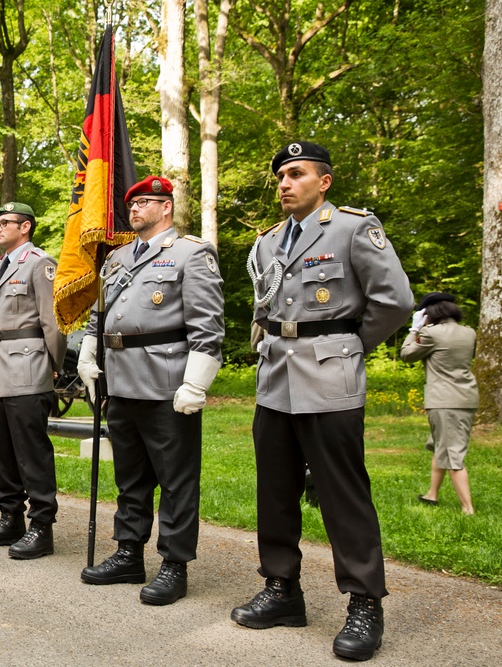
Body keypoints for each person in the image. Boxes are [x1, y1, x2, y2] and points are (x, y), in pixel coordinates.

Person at [232, 142, 413, 662]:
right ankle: (282, 589)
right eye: (281, 176)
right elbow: (265, 307)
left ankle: (363, 602)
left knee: (341, 492)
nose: (285, 183)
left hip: (329, 376)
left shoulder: (353, 228)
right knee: (276, 489)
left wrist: (351, 344)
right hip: (275, 378)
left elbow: (395, 300)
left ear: (324, 181)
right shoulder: (268, 242)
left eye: (296, 174)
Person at [77, 175, 225, 605]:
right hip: (120, 380)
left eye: (145, 202)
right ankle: (128, 552)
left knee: (176, 480)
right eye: (133, 203)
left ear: (166, 207)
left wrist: (196, 382)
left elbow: (207, 326)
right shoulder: (118, 258)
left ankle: (174, 565)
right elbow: (99, 315)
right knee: (130, 477)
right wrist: (89, 352)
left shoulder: (191, 254)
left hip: (166, 381)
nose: (135, 209)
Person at [0, 202, 66, 559]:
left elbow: (53, 321)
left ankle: (42, 527)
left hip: (28, 367)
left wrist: (54, 365)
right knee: (2, 449)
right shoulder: (2, 266)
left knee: (32, 453)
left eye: (5, 223)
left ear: (25, 227)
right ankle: (10, 516)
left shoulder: (39, 263)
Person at [401, 293, 478, 515]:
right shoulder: (469, 332)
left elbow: (406, 354)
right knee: (439, 445)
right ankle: (431, 494)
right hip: (466, 397)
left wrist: (414, 330)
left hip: (444, 400)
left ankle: (467, 508)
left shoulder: (430, 334)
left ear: (429, 313)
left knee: (453, 453)